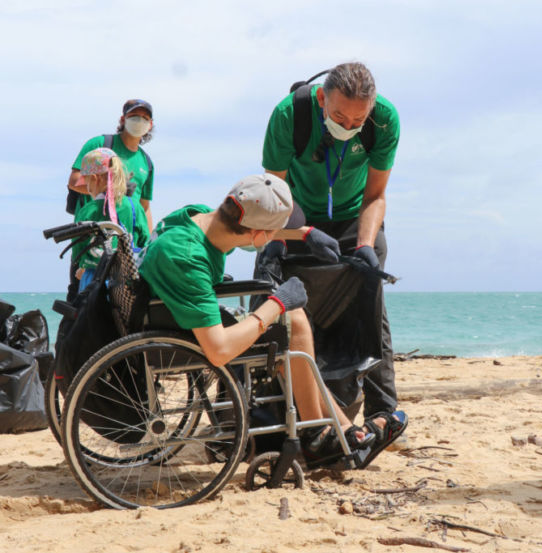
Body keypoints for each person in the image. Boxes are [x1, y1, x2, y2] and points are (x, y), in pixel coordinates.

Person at [137, 173, 374, 465]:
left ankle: (343, 428)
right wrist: (277, 304)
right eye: (275, 231)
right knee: (294, 322)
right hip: (182, 339)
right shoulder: (187, 259)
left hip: (168, 315)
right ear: (258, 237)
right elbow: (219, 350)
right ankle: (316, 433)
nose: (276, 235)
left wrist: (304, 233)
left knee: (291, 324)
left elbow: (248, 230)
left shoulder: (199, 218)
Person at [260, 61, 407, 460]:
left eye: (358, 118)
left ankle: (383, 412)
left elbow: (375, 196)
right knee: (274, 299)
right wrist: (291, 236)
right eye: (340, 115)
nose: (349, 124)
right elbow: (274, 191)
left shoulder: (383, 121)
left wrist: (363, 246)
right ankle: (278, 412)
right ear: (323, 98)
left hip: (353, 216)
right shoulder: (289, 115)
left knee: (371, 294)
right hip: (294, 212)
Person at [65, 99, 155, 300]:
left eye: (145, 118)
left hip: (125, 252)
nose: (139, 120)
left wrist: (147, 248)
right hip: (92, 239)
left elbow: (145, 206)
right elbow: (74, 180)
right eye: (134, 116)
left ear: (150, 124)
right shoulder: (100, 144)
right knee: (79, 302)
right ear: (123, 119)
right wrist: (108, 191)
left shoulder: (146, 162)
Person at [71, 148, 149, 292]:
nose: (88, 189)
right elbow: (145, 241)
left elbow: (78, 249)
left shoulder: (87, 210)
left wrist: (81, 267)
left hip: (93, 280)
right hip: (127, 282)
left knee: (91, 313)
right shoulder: (134, 206)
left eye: (87, 183)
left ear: (95, 178)